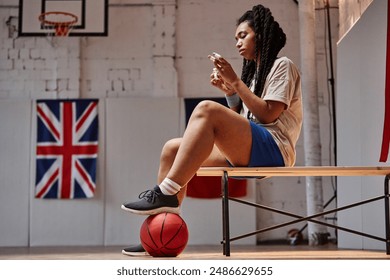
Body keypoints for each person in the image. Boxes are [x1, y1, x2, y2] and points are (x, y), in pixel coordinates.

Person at [121, 4, 303, 256]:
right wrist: (230, 92)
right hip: (253, 150)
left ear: (259, 34)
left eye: (243, 35)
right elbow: (245, 120)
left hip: (275, 151)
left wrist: (236, 83)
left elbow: (267, 114)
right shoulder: (253, 76)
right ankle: (157, 233)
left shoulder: (283, 65)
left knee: (206, 108)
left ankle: (166, 192)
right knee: (172, 148)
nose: (238, 43)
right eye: (236, 38)